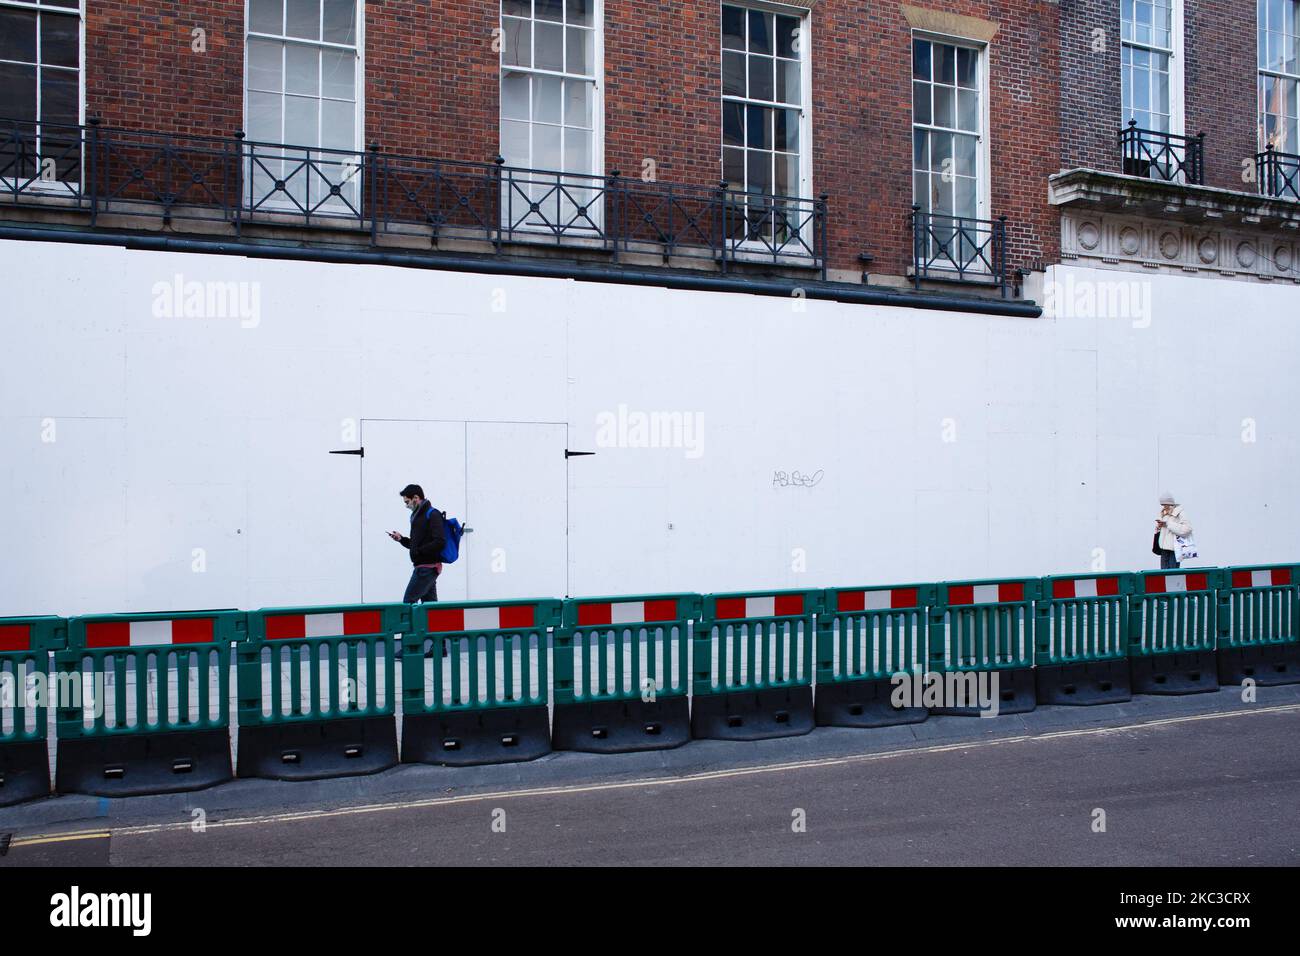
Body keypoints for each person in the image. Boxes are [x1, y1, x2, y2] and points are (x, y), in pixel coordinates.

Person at [389, 484, 445, 603]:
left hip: (426, 568)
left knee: (408, 602)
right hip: (425, 567)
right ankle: (434, 622)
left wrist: (419, 551)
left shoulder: (432, 514)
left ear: (416, 497)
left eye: (407, 502)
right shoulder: (416, 517)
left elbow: (440, 542)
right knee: (429, 607)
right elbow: (415, 545)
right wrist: (401, 539)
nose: (406, 505)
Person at [1153, 492, 1193, 569]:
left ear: (1170, 504)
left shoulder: (1180, 513)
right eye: (1162, 505)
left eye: (1165, 504)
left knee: (1173, 576)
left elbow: (1188, 529)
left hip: (1174, 550)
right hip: (1164, 550)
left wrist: (1168, 524)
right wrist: (1159, 527)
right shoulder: (1163, 513)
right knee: (1164, 575)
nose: (1164, 507)